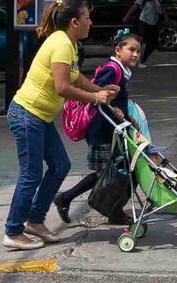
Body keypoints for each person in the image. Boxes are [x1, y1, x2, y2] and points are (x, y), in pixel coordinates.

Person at [3, 0, 118, 251]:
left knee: (60, 165)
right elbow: (62, 87)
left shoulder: (68, 43)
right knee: (31, 174)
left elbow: (74, 76)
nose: (91, 22)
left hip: (39, 117)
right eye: (87, 17)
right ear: (74, 22)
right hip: (27, 114)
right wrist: (94, 98)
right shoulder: (61, 44)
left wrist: (100, 90)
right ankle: (13, 230)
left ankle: (35, 220)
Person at [54, 30, 141, 224]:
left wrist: (124, 115)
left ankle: (110, 209)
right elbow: (97, 94)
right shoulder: (112, 69)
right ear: (118, 50)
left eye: (138, 51)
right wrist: (112, 105)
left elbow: (113, 99)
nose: (135, 54)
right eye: (131, 50)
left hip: (111, 129)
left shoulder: (121, 71)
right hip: (101, 130)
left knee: (114, 170)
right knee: (107, 173)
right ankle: (70, 199)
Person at [123, 0, 162, 66]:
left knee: (154, 42)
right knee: (144, 41)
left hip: (154, 21)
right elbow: (135, 6)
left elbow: (160, 8)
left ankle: (141, 59)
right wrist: (128, 15)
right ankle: (139, 61)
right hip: (144, 21)